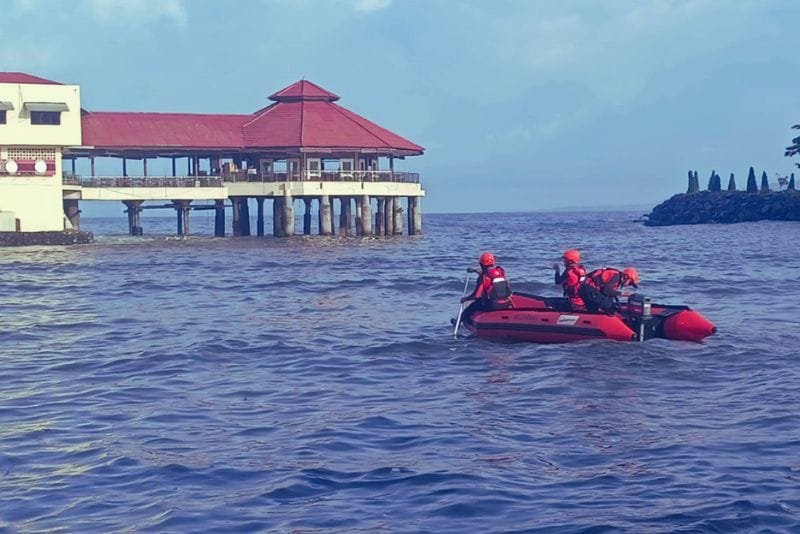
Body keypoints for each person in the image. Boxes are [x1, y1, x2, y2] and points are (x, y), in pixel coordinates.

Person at [460, 252, 513, 316]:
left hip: (492, 306)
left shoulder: (482, 278)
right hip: (506, 303)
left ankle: (458, 320)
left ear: (481, 265)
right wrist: (475, 271)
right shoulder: (500, 272)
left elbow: (477, 296)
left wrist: (465, 299)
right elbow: (489, 276)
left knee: (472, 306)